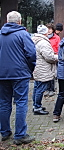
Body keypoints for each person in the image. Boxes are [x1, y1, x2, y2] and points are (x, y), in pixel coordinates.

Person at [0, 11, 36, 145]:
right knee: (21, 103)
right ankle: (20, 135)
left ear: (7, 20)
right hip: (20, 74)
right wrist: (30, 69)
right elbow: (31, 54)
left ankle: (4, 132)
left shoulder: (0, 34)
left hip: (2, 74)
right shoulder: (23, 34)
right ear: (20, 21)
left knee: (4, 103)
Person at [32, 25, 58, 115]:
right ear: (45, 32)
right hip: (43, 68)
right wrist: (58, 57)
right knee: (41, 88)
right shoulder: (43, 42)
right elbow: (49, 57)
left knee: (36, 86)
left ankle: (35, 105)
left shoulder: (35, 40)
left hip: (37, 67)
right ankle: (37, 107)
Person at [44, 23, 60, 97]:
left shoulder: (56, 37)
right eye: (48, 29)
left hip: (54, 57)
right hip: (46, 57)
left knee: (53, 74)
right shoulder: (44, 37)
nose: (49, 30)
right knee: (47, 73)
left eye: (50, 29)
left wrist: (56, 54)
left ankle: (52, 89)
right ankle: (47, 88)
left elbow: (58, 47)